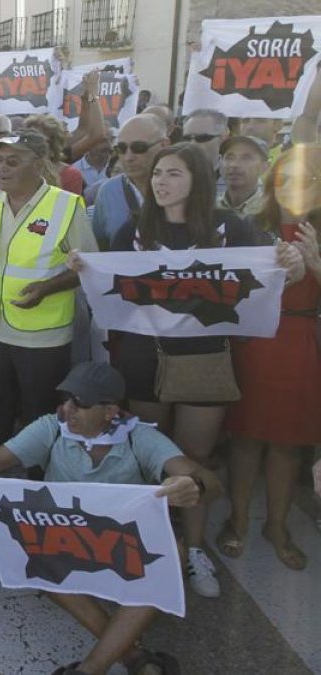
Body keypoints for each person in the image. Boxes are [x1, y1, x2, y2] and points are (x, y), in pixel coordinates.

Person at [94, 143, 301, 598]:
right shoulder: (134, 228)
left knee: (194, 461)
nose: (160, 182)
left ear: (199, 181)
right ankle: (146, 543)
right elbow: (111, 282)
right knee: (148, 455)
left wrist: (295, 263)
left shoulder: (232, 227)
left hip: (206, 359)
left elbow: (275, 275)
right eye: (157, 175)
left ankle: (192, 548)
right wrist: (84, 268)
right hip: (144, 357)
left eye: (173, 174)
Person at [0, 362, 220, 675]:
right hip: (68, 538)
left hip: (122, 543)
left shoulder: (138, 437)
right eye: (67, 398)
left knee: (173, 553)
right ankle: (132, 656)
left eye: (79, 403)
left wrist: (195, 485)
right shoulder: (52, 427)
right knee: (32, 549)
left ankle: (92, 668)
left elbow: (207, 480)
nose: (67, 409)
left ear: (111, 411)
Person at [219, 143, 321, 571]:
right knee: (245, 440)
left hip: (299, 342)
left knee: (286, 445)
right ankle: (239, 519)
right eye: (284, 178)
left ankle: (276, 527)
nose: (293, 187)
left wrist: (316, 263)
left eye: (304, 179)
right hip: (254, 342)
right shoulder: (249, 226)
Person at [0, 131, 96, 454]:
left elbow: (90, 268)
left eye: (12, 161)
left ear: (38, 165)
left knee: (39, 416)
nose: (1, 168)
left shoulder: (65, 206)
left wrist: (47, 288)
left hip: (43, 336)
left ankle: (39, 483)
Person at [91, 114, 168, 246]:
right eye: (121, 148)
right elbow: (99, 248)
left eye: (139, 148)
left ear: (164, 145)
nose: (128, 157)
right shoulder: (108, 192)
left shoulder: (183, 188)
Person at [24, 113, 85, 195]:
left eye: (39, 140)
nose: (33, 144)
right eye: (29, 139)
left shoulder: (71, 175)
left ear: (53, 144)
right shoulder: (16, 170)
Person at [217, 135, 270, 217]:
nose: (234, 165)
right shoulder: (209, 209)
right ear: (220, 163)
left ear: (264, 167)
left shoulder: (271, 212)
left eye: (246, 158)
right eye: (229, 158)